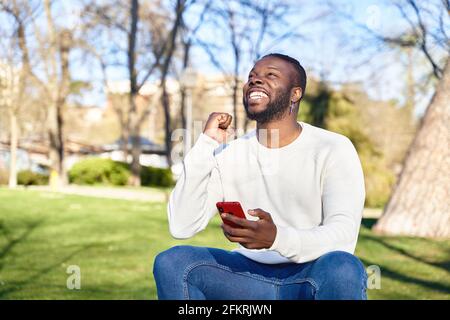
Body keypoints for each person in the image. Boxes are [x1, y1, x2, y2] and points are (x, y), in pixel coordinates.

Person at [153, 53, 367, 300]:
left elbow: (342, 236)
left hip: (311, 274)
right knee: (173, 263)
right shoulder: (227, 153)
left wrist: (277, 238)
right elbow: (181, 225)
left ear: (295, 94)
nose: (255, 81)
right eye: (251, 77)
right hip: (246, 277)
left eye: (270, 75)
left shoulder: (332, 147)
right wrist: (206, 144)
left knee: (343, 268)